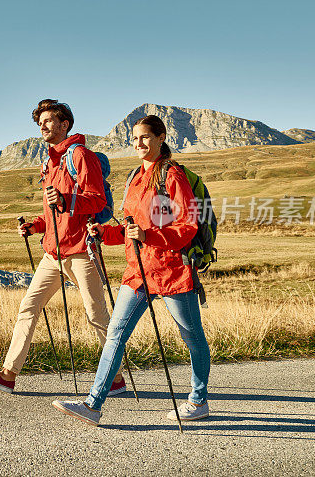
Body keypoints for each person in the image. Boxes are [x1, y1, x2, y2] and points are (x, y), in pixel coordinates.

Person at [52, 114, 211, 426]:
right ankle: (93, 404)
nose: (138, 143)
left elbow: (188, 226)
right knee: (115, 334)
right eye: (134, 138)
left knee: (192, 338)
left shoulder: (173, 176)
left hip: (172, 273)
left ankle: (198, 399)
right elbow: (130, 229)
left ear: (161, 137)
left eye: (144, 137)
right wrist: (105, 234)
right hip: (137, 273)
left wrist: (150, 236)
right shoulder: (134, 178)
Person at [0, 99, 125, 395]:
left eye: (48, 121)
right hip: (52, 254)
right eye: (39, 122)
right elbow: (52, 211)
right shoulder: (49, 162)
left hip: (83, 251)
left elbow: (98, 201)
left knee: (97, 316)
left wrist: (68, 201)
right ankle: (8, 374)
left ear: (64, 124)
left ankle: (116, 378)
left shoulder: (80, 156)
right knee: (29, 307)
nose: (42, 126)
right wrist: (35, 226)